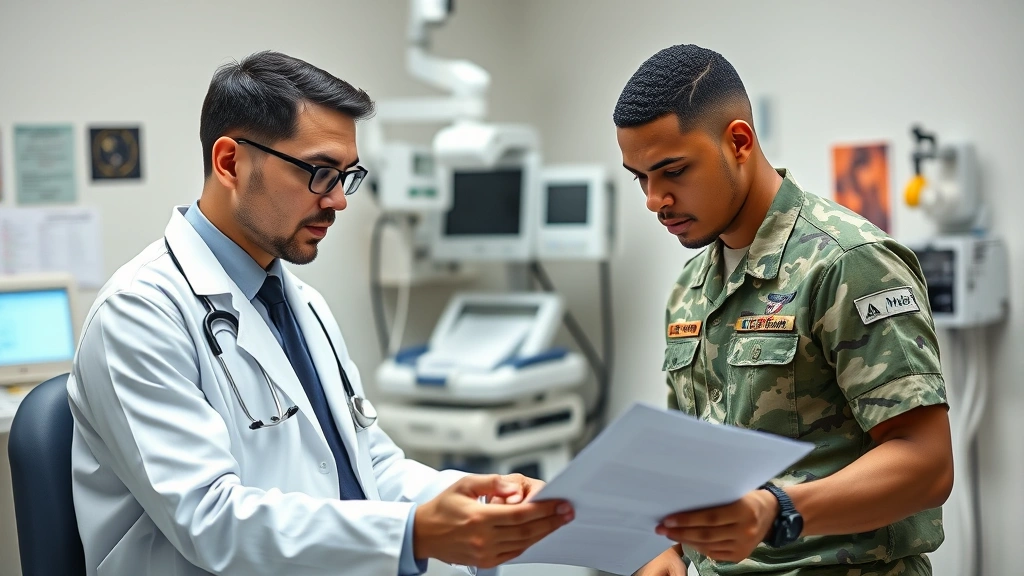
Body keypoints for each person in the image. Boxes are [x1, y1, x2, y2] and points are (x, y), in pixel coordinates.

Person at [67, 50, 573, 576]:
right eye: (320, 174)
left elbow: (367, 465)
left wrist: (474, 499)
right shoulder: (138, 313)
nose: (339, 201)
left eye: (346, 177)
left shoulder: (302, 304)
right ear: (229, 162)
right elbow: (210, 520)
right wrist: (414, 533)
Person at [613, 44, 953, 576]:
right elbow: (689, 456)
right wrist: (664, 547)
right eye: (640, 178)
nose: (655, 199)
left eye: (672, 171)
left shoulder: (847, 261)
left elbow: (927, 464)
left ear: (739, 141)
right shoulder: (691, 287)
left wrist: (780, 511)